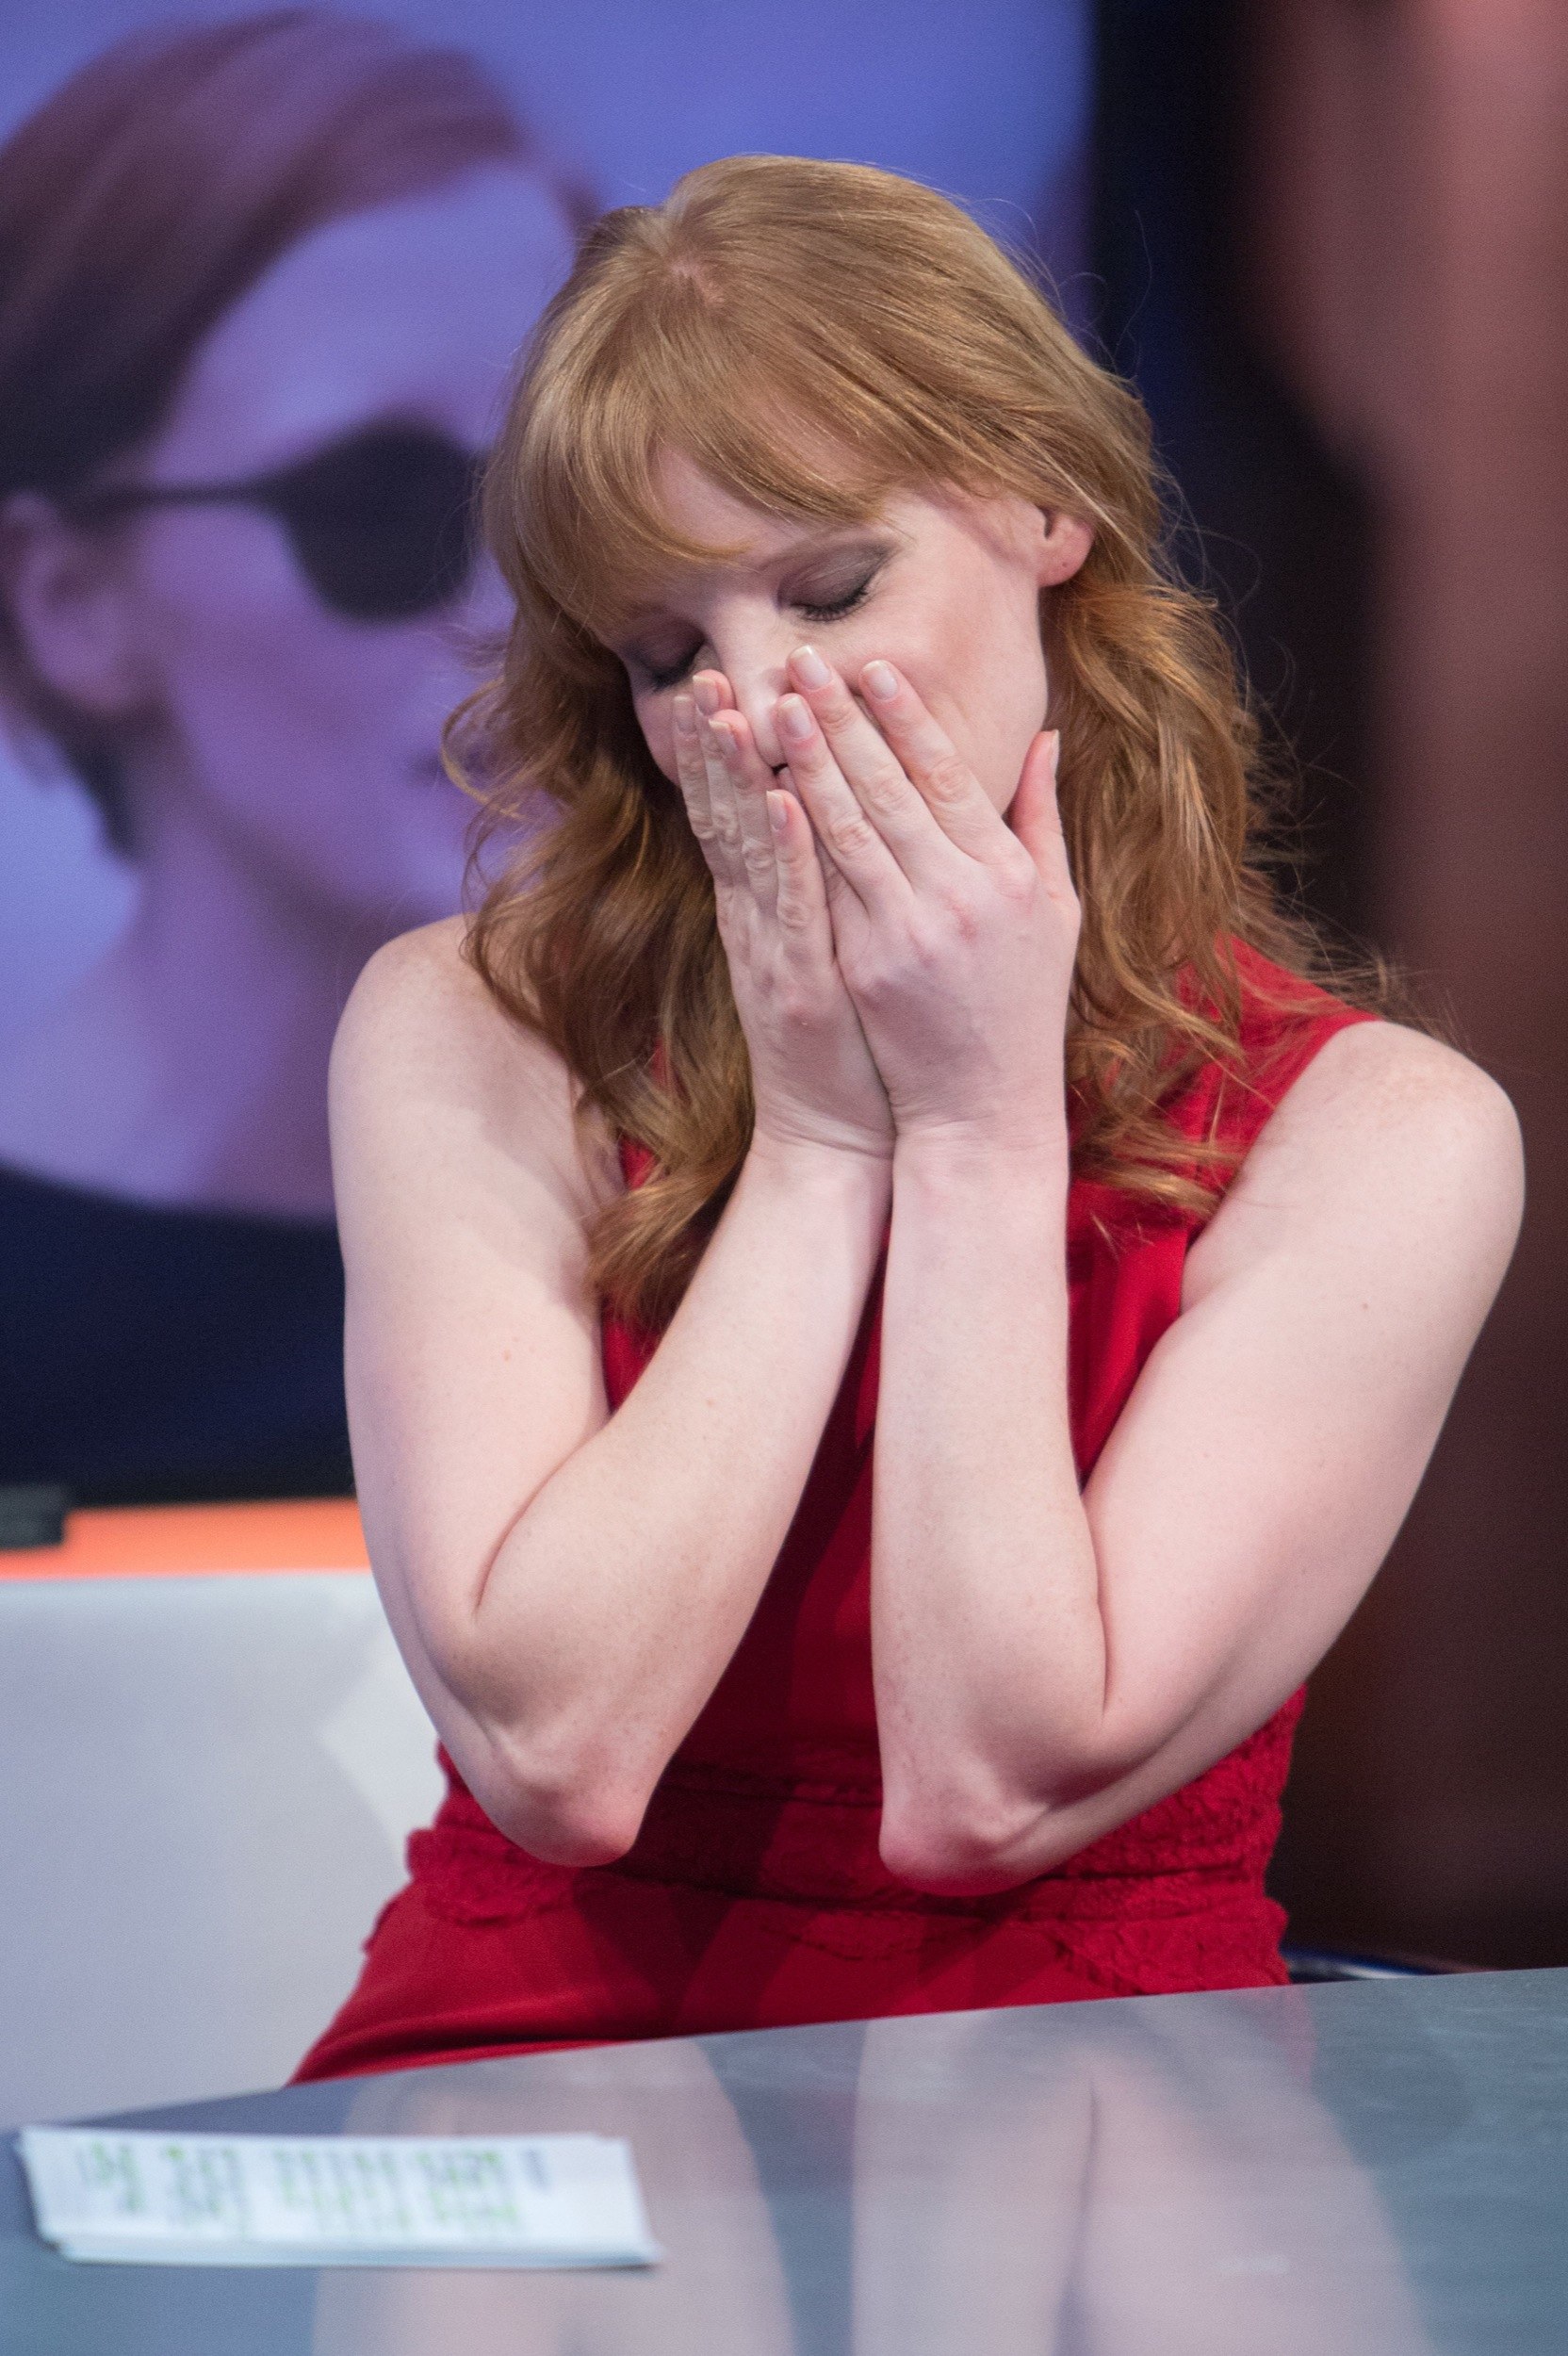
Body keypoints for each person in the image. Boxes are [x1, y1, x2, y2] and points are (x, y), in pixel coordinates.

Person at [296, 155, 1522, 2078]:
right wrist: (821, 1144)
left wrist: (973, 1129)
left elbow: (985, 1789)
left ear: (1045, 504)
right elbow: (559, 1755)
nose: (760, 704)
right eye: (667, 653)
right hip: (530, 2072)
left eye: (828, 587)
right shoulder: (473, 1026)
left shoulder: (1377, 1138)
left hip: (1084, 2098)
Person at [0, 11, 581, 1503]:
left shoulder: (760, 1193)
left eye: (568, 505)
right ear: (71, 603)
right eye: (374, 504)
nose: (516, 615)